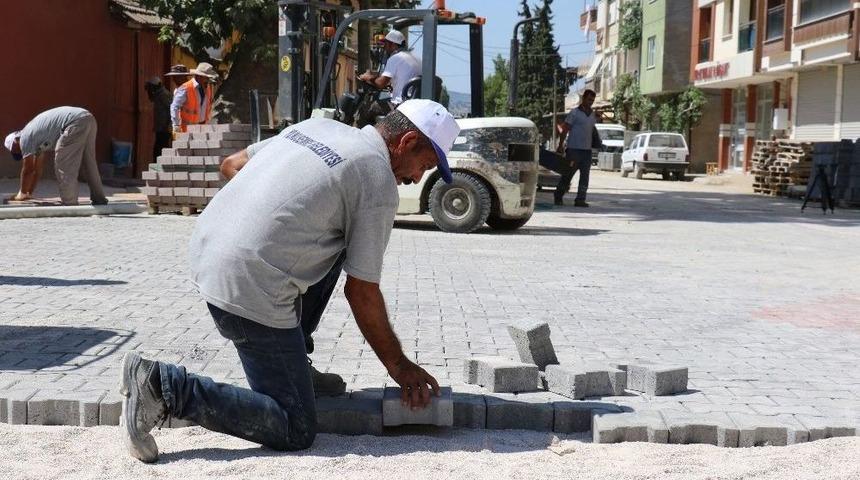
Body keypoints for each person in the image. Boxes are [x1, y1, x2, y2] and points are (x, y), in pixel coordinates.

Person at [119, 99, 460, 463]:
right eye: (423, 166)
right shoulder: (376, 178)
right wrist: (399, 366)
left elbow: (230, 165)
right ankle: (162, 387)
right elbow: (361, 292)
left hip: (206, 254)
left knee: (337, 239)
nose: (416, 178)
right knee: (295, 426)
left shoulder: (320, 127)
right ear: (406, 142)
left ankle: (296, 365)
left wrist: (270, 222)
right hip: (247, 287)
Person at [4, 107, 108, 205]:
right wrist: (28, 193)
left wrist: (21, 194)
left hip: (74, 122)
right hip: (87, 118)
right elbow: (37, 170)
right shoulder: (35, 139)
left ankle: (69, 203)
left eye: (17, 151)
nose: (21, 153)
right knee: (88, 162)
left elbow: (28, 170)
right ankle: (99, 199)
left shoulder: (24, 139)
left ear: (15, 142)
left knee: (63, 163)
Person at [554, 89, 602, 207]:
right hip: (573, 150)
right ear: (583, 98)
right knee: (568, 175)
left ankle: (580, 199)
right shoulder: (574, 113)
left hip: (587, 151)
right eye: (589, 99)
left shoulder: (592, 115)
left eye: (592, 100)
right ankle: (558, 195)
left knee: (585, 176)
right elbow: (565, 130)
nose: (591, 102)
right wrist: (560, 145)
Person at [358, 30, 421, 106]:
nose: (384, 47)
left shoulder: (396, 58)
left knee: (370, 107)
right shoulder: (417, 59)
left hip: (400, 104)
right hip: (415, 103)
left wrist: (367, 77)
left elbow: (380, 83)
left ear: (393, 44)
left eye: (386, 43)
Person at [170, 62, 218, 134]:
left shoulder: (208, 88)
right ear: (199, 76)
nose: (208, 79)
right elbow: (174, 107)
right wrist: (176, 125)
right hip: (186, 130)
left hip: (202, 130)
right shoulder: (186, 88)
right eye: (206, 77)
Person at [144, 77, 173, 161]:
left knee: (161, 149)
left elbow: (171, 108)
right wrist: (148, 91)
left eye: (152, 86)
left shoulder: (164, 94)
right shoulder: (158, 93)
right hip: (160, 127)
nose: (152, 88)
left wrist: (168, 124)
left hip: (164, 127)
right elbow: (152, 99)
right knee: (158, 148)